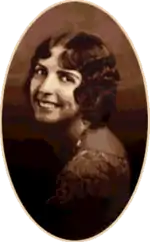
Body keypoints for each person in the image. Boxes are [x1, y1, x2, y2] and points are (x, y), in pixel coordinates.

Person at [5, 31, 131, 240]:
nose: (45, 88)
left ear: (92, 90)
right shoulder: (93, 137)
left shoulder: (87, 171)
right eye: (40, 71)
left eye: (66, 77)